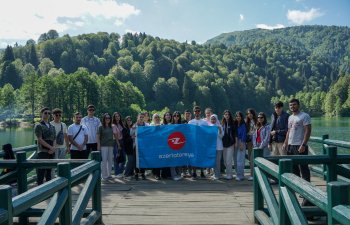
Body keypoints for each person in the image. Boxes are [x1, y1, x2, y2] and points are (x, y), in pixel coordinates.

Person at [283, 99, 312, 182]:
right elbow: (289, 131)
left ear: (298, 105)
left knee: (303, 167)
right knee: (293, 167)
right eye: (291, 105)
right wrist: (285, 143)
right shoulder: (290, 117)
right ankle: (298, 187)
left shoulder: (304, 116)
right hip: (290, 145)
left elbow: (308, 130)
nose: (292, 106)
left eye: (294, 104)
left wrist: (303, 144)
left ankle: (307, 189)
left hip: (300, 145)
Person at [34, 107, 56, 185]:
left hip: (51, 152)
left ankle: (49, 190)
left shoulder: (52, 126)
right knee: (41, 172)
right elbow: (40, 139)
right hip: (42, 152)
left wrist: (53, 148)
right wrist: (50, 148)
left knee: (49, 172)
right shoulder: (38, 125)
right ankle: (39, 190)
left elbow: (54, 139)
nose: (47, 114)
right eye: (45, 113)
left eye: (49, 113)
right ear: (41, 114)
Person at [188, 106, 208, 179]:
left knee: (201, 157)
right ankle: (194, 173)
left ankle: (202, 172)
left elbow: (207, 132)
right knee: (193, 158)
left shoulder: (204, 122)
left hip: (201, 143)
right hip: (193, 143)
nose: (197, 112)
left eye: (198, 111)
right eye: (195, 111)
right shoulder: (190, 122)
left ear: (200, 112)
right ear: (193, 112)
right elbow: (188, 133)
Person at [97, 113, 115, 180]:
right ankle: (104, 176)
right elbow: (98, 137)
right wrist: (98, 145)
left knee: (110, 160)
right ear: (104, 119)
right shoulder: (100, 127)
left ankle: (109, 174)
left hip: (111, 145)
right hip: (103, 145)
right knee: (104, 161)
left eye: (109, 118)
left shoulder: (112, 127)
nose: (108, 119)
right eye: (106, 118)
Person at [130, 113, 148, 180]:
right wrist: (133, 135)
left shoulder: (147, 125)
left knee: (143, 158)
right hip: (136, 145)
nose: (141, 118)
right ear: (137, 118)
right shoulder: (134, 126)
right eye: (140, 117)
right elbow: (131, 135)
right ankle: (136, 173)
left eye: (142, 117)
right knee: (136, 159)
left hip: (144, 145)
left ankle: (143, 173)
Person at [221, 110, 236, 180]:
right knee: (225, 160)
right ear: (224, 115)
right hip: (223, 144)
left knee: (229, 160)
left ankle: (230, 174)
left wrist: (234, 142)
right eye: (225, 114)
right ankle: (228, 173)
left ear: (230, 116)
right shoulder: (222, 124)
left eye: (228, 114)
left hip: (231, 144)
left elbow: (235, 134)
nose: (227, 116)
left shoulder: (232, 123)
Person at [210, 114, 224, 180]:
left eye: (214, 119)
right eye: (212, 119)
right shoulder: (209, 126)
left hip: (219, 147)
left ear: (216, 119)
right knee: (213, 161)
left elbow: (221, 136)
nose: (213, 120)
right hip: (212, 147)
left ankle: (218, 175)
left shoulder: (219, 126)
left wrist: (219, 130)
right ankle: (215, 174)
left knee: (218, 161)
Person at [234, 111, 247, 181]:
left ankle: (241, 175)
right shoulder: (235, 124)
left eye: (239, 116)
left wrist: (242, 144)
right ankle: (238, 174)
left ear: (241, 117)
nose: (238, 117)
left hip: (242, 142)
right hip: (236, 142)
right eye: (237, 116)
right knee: (236, 159)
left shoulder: (243, 124)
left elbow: (244, 134)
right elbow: (235, 134)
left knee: (240, 159)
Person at [112, 112, 125, 178]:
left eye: (118, 116)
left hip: (122, 141)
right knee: (116, 157)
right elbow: (115, 135)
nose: (117, 117)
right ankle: (117, 173)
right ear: (114, 118)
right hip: (116, 142)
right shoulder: (113, 125)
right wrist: (118, 144)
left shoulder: (121, 124)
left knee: (123, 157)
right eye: (116, 116)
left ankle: (121, 172)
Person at [245, 108, 257, 181]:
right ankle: (251, 174)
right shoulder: (246, 122)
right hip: (249, 141)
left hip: (256, 141)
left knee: (256, 157)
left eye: (250, 113)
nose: (249, 115)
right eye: (248, 114)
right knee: (250, 158)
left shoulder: (257, 121)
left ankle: (256, 174)